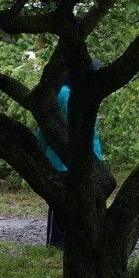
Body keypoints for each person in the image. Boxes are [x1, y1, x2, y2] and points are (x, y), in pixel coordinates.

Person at [35, 64, 105, 249]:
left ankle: (63, 238)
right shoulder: (68, 94)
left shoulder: (70, 93)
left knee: (71, 196)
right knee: (63, 198)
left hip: (69, 156)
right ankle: (58, 239)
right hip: (66, 156)